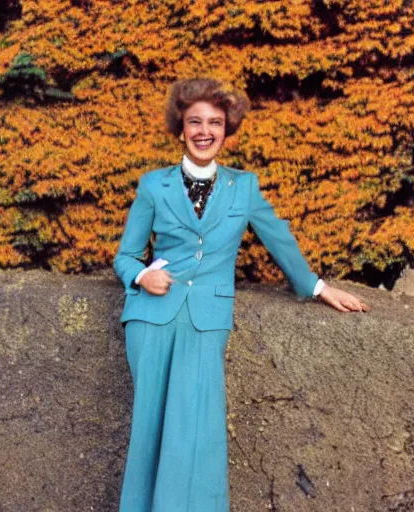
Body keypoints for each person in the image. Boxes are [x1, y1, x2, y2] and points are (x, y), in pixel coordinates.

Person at [113, 78, 369, 512]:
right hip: (151, 317)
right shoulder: (154, 185)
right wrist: (140, 278)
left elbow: (279, 240)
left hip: (207, 319)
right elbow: (125, 256)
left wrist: (318, 287)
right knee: (150, 431)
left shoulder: (243, 187)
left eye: (215, 122)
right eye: (194, 121)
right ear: (180, 128)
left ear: (227, 130)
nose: (204, 131)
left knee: (197, 430)